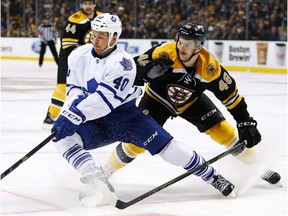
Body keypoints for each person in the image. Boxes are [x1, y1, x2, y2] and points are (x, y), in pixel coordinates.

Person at [51, 14, 242, 207]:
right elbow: (74, 88)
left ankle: (213, 176)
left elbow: (104, 100)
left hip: (126, 119)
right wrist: (72, 108)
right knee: (60, 137)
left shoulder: (123, 63)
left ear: (114, 37)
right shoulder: (78, 55)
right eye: (94, 34)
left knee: (171, 149)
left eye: (102, 35)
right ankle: (95, 176)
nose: (95, 40)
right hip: (95, 120)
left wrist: (73, 115)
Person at [105, 23, 281, 185]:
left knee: (224, 131)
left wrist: (245, 121)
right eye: (181, 42)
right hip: (157, 99)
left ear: (199, 46)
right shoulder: (164, 53)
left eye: (188, 44)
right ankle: (105, 173)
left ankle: (258, 166)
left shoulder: (210, 68)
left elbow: (231, 96)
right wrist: (145, 74)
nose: (182, 47)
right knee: (137, 140)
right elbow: (130, 72)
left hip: (191, 101)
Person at [43, 0, 102, 128]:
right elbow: (68, 45)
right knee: (62, 87)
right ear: (81, 5)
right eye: (85, 4)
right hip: (70, 59)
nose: (88, 6)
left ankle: (92, 119)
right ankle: (51, 116)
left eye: (90, 3)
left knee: (94, 89)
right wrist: (85, 54)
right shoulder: (75, 19)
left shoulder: (102, 18)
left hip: (93, 60)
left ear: (94, 4)